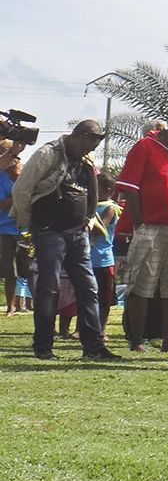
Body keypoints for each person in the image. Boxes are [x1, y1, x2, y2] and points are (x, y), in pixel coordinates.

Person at [10, 120, 116, 361]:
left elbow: (92, 194)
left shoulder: (86, 162)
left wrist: (89, 220)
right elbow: (21, 190)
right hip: (49, 231)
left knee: (89, 288)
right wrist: (27, 225)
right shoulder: (48, 154)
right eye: (90, 142)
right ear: (78, 136)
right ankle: (43, 346)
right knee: (49, 288)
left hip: (77, 233)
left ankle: (94, 347)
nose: (91, 149)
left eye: (96, 144)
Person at [116, 106, 168, 353]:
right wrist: (140, 222)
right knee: (140, 285)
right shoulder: (145, 147)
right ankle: (136, 338)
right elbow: (129, 187)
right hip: (150, 227)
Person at [89, 172, 121, 336]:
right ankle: (83, 327)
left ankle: (101, 329)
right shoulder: (91, 206)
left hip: (102, 260)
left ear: (107, 189)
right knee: (87, 295)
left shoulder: (110, 208)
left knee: (103, 297)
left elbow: (97, 230)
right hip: (87, 260)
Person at [0, 140, 22, 315]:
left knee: (19, 270)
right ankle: (10, 305)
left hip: (20, 229)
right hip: (4, 229)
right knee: (9, 270)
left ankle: (16, 305)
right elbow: (3, 203)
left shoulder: (23, 176)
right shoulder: (1, 177)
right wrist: (19, 200)